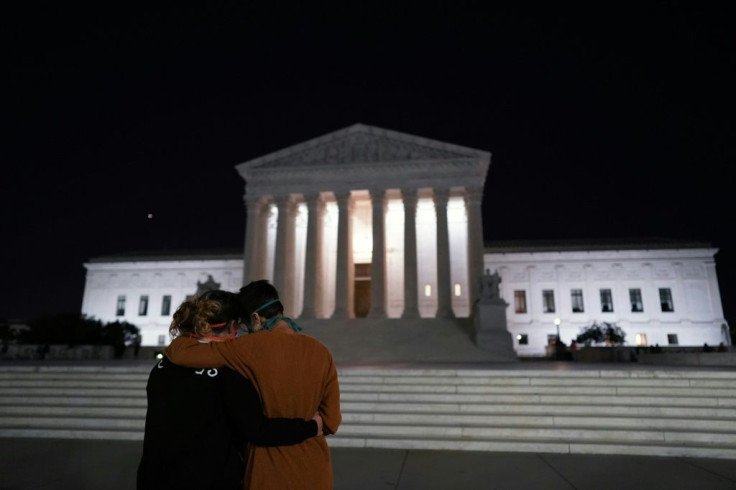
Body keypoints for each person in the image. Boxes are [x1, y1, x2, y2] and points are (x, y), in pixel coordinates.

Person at [137, 290, 322, 490]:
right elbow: (257, 430)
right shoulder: (228, 372)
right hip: (210, 479)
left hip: (155, 477)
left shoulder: (164, 366)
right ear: (233, 326)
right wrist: (312, 426)